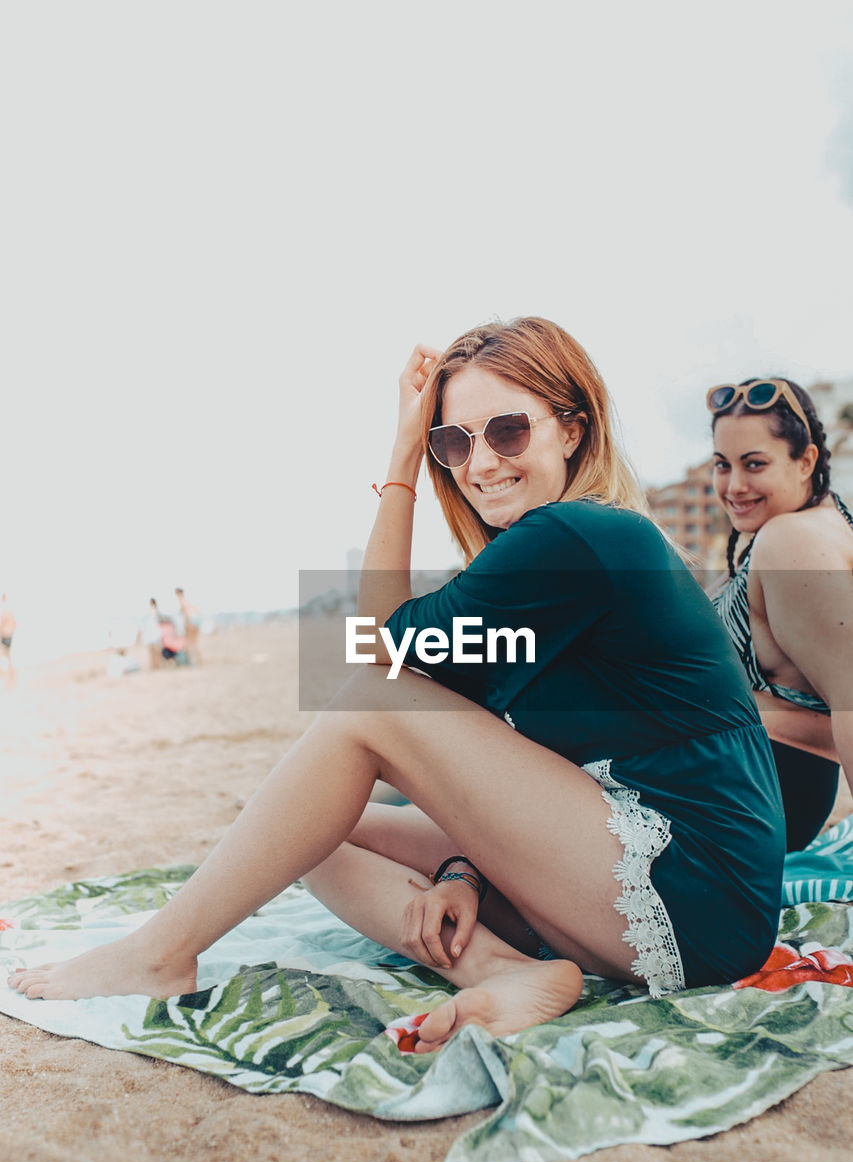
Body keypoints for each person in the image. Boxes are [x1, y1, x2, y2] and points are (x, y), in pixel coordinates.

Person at [8, 318, 786, 1053]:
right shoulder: (538, 560)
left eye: (508, 430)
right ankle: (499, 972)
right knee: (309, 826)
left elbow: (377, 663)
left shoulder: (578, 534)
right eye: (453, 441)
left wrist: (399, 461)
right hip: (641, 868)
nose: (481, 463)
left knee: (364, 709)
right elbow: (491, 766)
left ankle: (160, 951)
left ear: (571, 429)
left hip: (690, 883)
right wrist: (458, 874)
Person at [708, 378, 853, 851]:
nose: (735, 486)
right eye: (722, 465)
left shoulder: (791, 541)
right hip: (766, 788)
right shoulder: (824, 524)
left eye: (755, 464)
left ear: (806, 460)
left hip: (758, 795)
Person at [175, 587, 203, 665]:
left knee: (190, 643)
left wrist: (187, 624)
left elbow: (186, 613)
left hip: (191, 621)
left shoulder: (181, 600)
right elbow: (197, 611)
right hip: (196, 620)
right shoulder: (186, 600)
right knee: (194, 642)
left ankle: (195, 661)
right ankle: (199, 661)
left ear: (178, 593)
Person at [0, 594, 16, 688]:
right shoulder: (8, 609)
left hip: (6, 634)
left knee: (5, 653)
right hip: (7, 634)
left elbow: (11, 623)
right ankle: (10, 672)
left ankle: (9, 672)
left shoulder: (5, 610)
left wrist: (4, 631)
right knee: (6, 654)